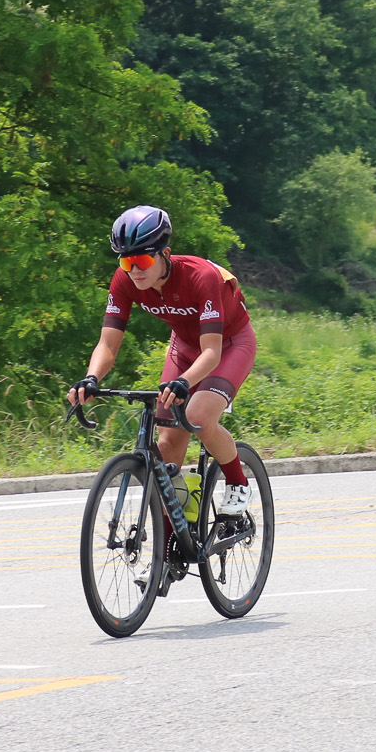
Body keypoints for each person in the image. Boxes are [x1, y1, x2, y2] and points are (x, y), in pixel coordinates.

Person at [66, 206, 256, 526]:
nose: (134, 271)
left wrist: (184, 382)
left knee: (198, 416)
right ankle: (173, 536)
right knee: (167, 442)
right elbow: (108, 345)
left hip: (229, 345)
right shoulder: (125, 281)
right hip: (184, 347)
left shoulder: (201, 276)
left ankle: (238, 483)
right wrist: (91, 377)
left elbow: (211, 352)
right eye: (125, 262)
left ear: (165, 254)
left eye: (141, 261)